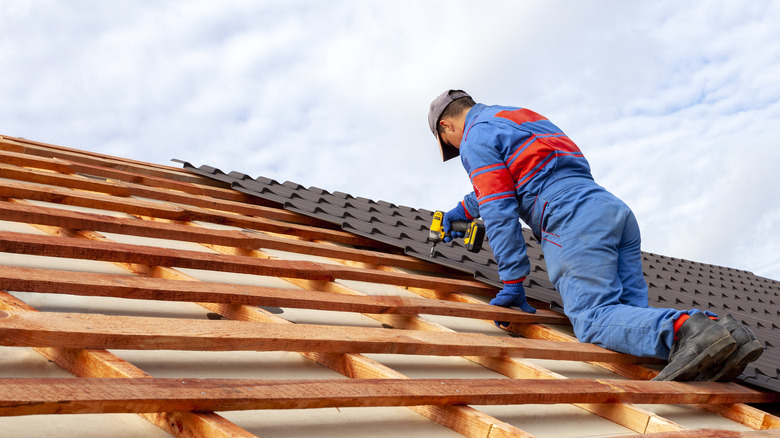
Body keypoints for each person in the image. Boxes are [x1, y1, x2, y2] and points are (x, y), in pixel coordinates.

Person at [428, 89, 763, 381]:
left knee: (593, 320)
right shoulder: (516, 117)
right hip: (608, 209)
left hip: (571, 218)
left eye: (450, 144)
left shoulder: (474, 139)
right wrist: (462, 210)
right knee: (628, 324)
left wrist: (513, 283)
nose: (459, 149)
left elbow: (500, 212)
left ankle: (691, 328)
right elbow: (513, 180)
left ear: (447, 127)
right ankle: (726, 331)